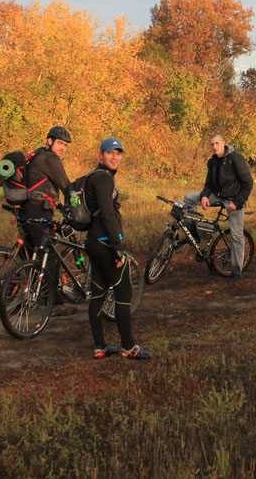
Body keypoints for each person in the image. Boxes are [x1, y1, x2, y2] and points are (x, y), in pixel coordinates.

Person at [85, 137, 150, 360]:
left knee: (98, 294)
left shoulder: (92, 176)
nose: (115, 157)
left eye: (118, 153)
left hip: (93, 242)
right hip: (105, 242)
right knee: (123, 292)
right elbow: (107, 213)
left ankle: (100, 347)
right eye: (110, 153)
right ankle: (128, 347)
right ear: (100, 155)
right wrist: (117, 247)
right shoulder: (104, 179)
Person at [183, 133, 253, 278]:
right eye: (212, 144)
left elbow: (248, 183)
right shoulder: (212, 161)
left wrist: (237, 202)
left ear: (223, 143)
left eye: (217, 143)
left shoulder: (236, 158)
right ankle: (194, 233)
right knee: (188, 198)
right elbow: (209, 184)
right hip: (218, 195)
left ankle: (236, 271)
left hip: (234, 198)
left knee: (236, 236)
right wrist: (204, 196)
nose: (214, 147)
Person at [22, 126, 73, 258]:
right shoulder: (51, 159)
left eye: (65, 145)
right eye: (60, 143)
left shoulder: (39, 154)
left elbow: (42, 184)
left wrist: (59, 204)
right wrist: (77, 205)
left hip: (26, 210)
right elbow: (66, 187)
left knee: (31, 259)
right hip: (39, 210)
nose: (63, 148)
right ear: (50, 141)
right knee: (49, 257)